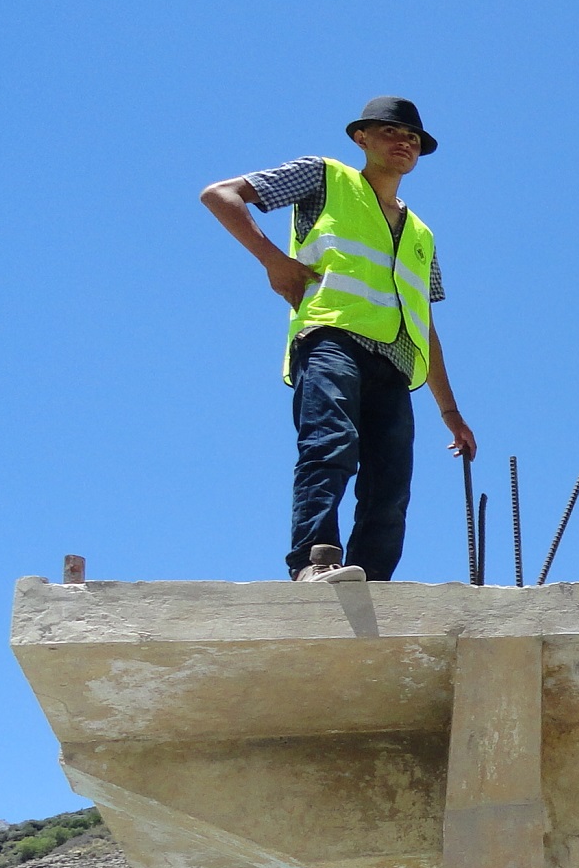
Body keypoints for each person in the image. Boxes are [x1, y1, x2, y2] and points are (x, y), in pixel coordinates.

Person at [200, 96, 477, 583]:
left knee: (391, 480)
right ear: (361, 138)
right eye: (390, 131)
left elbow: (425, 323)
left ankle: (372, 579)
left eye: (412, 137)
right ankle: (313, 560)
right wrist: (273, 260)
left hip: (394, 363)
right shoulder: (324, 176)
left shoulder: (421, 234)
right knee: (330, 445)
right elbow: (220, 195)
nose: (404, 142)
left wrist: (450, 413)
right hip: (332, 338)